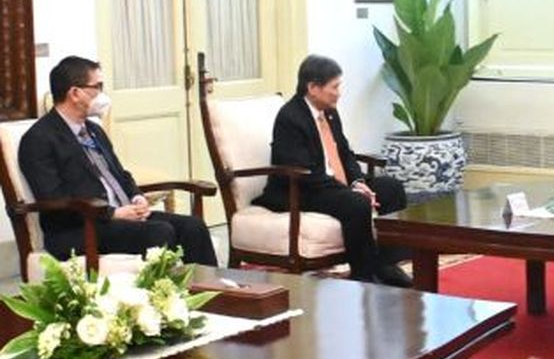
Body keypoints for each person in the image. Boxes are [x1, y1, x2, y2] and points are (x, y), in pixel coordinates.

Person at [18, 56, 218, 266]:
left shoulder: (93, 130)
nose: (102, 94)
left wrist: (136, 197)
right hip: (79, 229)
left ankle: (212, 295)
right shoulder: (39, 139)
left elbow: (119, 174)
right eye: (97, 87)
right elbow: (54, 200)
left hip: (121, 216)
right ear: (75, 93)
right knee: (160, 232)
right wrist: (113, 213)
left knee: (193, 227)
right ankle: (162, 296)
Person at [254, 55, 411, 287]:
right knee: (355, 203)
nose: (339, 92)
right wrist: (351, 192)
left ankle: (387, 266)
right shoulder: (290, 117)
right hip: (302, 189)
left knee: (391, 188)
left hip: (333, 185)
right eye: (334, 87)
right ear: (313, 88)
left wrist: (357, 182)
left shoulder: (329, 111)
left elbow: (345, 153)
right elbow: (303, 171)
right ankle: (363, 275)